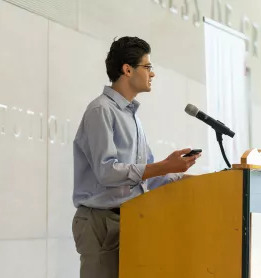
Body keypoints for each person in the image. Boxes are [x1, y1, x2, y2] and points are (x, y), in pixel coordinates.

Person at [71, 36, 201, 278]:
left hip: (129, 220)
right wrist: (162, 166)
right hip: (101, 223)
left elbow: (146, 177)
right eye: (148, 67)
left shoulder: (133, 117)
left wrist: (185, 178)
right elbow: (106, 172)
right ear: (127, 69)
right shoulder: (101, 111)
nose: (153, 74)